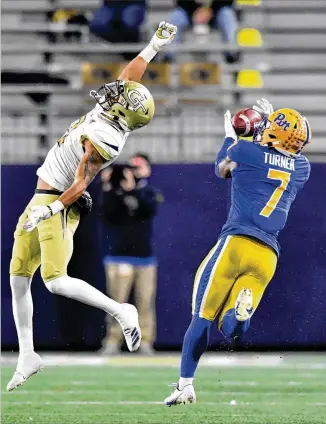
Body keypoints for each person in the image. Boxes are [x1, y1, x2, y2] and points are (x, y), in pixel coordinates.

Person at [7, 21, 177, 392]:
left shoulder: (104, 138)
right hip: (43, 197)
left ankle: (122, 310)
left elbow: (82, 183)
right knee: (19, 278)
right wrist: (152, 47)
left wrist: (49, 211)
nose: (114, 91)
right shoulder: (116, 114)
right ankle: (27, 355)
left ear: (121, 114)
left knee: (54, 281)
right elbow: (129, 77)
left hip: (58, 203)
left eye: (119, 97)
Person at [164, 99, 311, 405]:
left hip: (236, 243)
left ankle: (184, 385)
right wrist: (270, 124)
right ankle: (240, 316)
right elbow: (278, 155)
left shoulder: (247, 151)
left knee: (202, 315)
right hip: (268, 255)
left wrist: (232, 135)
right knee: (230, 326)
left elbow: (221, 168)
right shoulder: (302, 168)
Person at [100, 154, 163, 356]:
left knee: (145, 302)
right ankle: (113, 339)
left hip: (145, 257)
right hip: (118, 256)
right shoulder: (113, 192)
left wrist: (132, 190)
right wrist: (111, 188)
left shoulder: (149, 192)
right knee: (116, 302)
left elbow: (148, 210)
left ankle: (145, 341)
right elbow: (108, 215)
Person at [167, 0, 239, 63]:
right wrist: (194, 11)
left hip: (217, 12)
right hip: (190, 12)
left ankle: (232, 57)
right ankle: (168, 58)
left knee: (227, 15)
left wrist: (210, 11)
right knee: (175, 17)